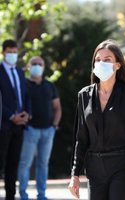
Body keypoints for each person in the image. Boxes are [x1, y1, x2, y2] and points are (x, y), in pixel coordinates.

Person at [68, 39, 125, 200]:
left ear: (118, 65)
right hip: (95, 169)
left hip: (123, 166)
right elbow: (81, 138)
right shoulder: (84, 95)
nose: (101, 63)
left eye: (107, 59)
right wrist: (75, 174)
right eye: (98, 60)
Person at [18, 56, 62, 200]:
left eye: (40, 64)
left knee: (43, 164)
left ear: (44, 67)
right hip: (30, 130)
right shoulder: (23, 84)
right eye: (34, 63)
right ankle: (23, 194)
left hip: (48, 131)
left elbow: (57, 108)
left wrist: (54, 127)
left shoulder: (50, 86)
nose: (37, 66)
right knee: (25, 163)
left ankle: (41, 194)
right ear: (29, 67)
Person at [0, 39, 31, 200]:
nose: (12, 54)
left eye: (14, 51)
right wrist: (11, 116)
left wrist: (27, 114)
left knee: (13, 164)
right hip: (4, 125)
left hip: (20, 126)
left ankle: (10, 196)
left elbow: (25, 95)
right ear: (3, 52)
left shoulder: (19, 71)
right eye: (9, 52)